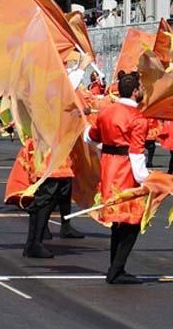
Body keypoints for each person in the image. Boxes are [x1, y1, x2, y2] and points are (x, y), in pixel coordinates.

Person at [87, 72, 150, 284]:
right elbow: (136, 152)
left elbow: (91, 137)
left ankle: (115, 267)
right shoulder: (138, 118)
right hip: (125, 169)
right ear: (134, 91)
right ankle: (116, 269)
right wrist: (145, 179)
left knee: (118, 221)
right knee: (132, 220)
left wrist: (105, 149)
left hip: (108, 166)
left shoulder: (106, 112)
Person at [21, 139, 85, 259]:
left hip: (58, 153)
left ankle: (35, 241)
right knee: (45, 199)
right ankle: (34, 243)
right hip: (51, 155)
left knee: (52, 198)